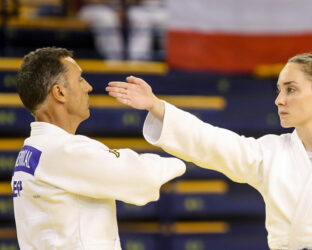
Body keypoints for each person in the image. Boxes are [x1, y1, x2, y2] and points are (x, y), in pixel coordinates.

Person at [106, 53, 312, 250]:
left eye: (291, 89)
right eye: (278, 90)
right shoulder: (269, 152)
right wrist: (157, 106)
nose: (279, 100)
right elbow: (211, 142)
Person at [12, 47, 185, 249]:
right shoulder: (63, 150)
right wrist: (183, 158)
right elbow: (142, 178)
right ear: (59, 92)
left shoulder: (33, 150)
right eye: (80, 79)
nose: (89, 87)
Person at [77, 0, 166, 61]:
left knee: (140, 16)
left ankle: (138, 59)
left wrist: (124, 9)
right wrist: (115, 9)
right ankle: (114, 60)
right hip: (94, 8)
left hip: (138, 8)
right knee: (107, 19)